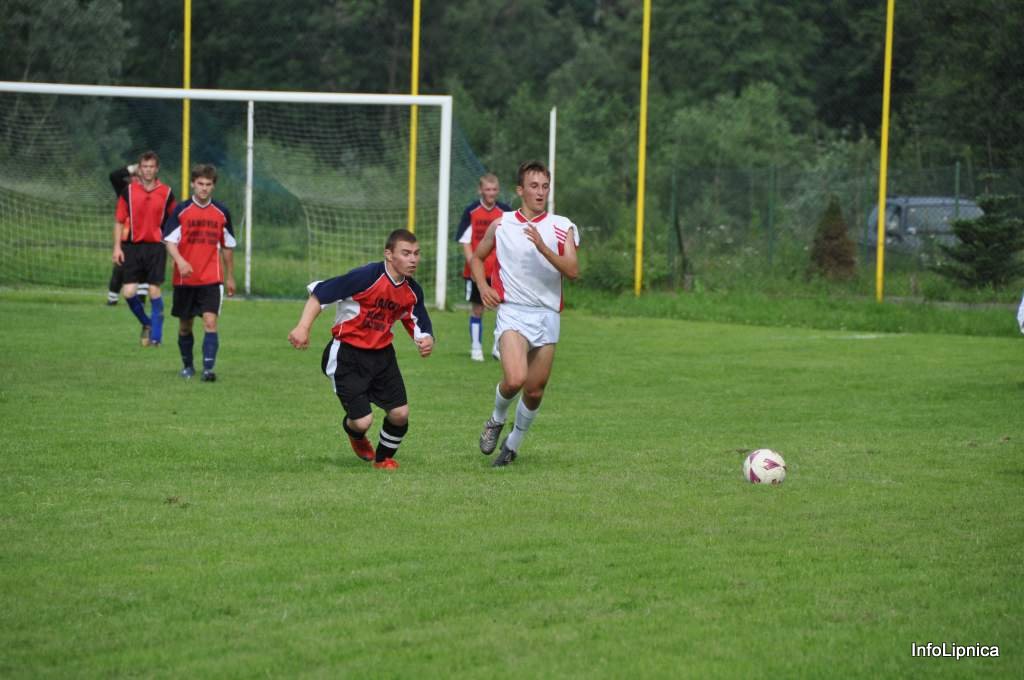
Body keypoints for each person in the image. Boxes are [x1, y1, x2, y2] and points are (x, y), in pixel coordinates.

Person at [287, 229, 434, 470]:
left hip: (383, 356)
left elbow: (415, 318)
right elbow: (321, 293)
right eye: (406, 253)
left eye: (416, 254)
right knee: (363, 421)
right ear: (389, 254)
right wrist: (303, 327)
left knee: (400, 414)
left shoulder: (412, 290)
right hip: (347, 355)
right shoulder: (366, 277)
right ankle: (355, 434)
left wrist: (425, 338)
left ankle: (382, 459)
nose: (413, 259)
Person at [470, 160, 579, 467]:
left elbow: (573, 271)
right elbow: (477, 258)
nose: (540, 192)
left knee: (534, 390)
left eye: (545, 186)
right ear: (520, 190)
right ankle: (496, 418)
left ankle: (512, 445)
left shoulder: (563, 226)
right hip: (512, 313)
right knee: (515, 379)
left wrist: (543, 247)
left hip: (547, 315)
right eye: (533, 186)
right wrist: (483, 286)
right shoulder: (502, 224)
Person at [162, 164, 236, 382]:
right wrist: (180, 261)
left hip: (211, 279)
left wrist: (230, 276)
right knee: (185, 326)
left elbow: (228, 247)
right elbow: (169, 241)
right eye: (200, 184)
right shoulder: (181, 211)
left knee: (210, 323)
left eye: (208, 184)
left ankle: (208, 370)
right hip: (185, 280)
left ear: (213, 186)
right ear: (192, 184)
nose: (204, 188)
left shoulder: (222, 212)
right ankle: (187, 366)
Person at [113, 151, 175, 345]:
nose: (148, 170)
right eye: (145, 166)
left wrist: (175, 253)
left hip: (156, 247)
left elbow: (173, 224)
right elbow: (119, 221)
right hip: (132, 248)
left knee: (154, 290)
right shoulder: (128, 191)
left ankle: (156, 338)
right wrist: (117, 248)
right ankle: (147, 323)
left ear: (157, 169)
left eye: (151, 167)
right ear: (139, 169)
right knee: (128, 293)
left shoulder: (166, 193)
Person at [454, 173, 511, 361]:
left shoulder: (505, 212)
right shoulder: (471, 211)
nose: (491, 193)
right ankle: (476, 348)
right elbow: (465, 241)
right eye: (488, 189)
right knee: (478, 309)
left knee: (504, 310)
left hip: (499, 271)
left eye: (494, 189)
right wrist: (473, 265)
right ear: (480, 190)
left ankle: (497, 347)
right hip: (477, 271)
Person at [105, 163, 148, 305]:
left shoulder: (152, 192)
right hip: (126, 238)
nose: (136, 179)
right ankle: (112, 300)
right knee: (120, 268)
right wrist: (132, 168)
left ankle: (141, 301)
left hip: (145, 237)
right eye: (133, 176)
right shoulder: (126, 191)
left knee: (143, 269)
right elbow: (114, 176)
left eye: (139, 177)